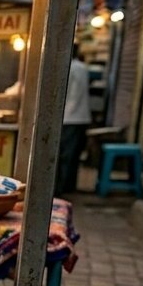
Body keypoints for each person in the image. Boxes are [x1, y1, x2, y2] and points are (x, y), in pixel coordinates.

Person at [56, 44, 91, 196]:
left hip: (68, 117)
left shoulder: (67, 68)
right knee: (71, 155)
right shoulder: (83, 68)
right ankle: (68, 186)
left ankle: (61, 187)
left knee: (64, 155)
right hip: (80, 117)